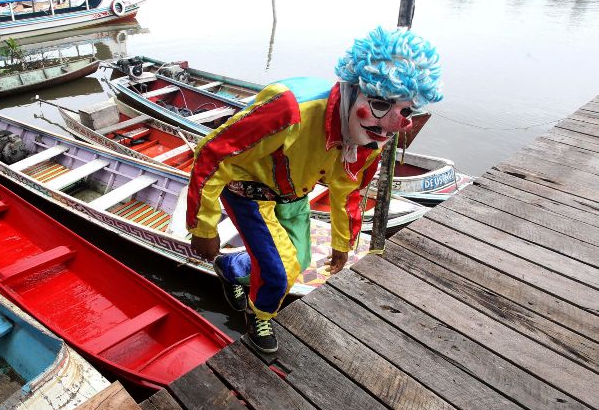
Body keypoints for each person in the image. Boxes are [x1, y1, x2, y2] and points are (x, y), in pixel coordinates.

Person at [186, 26, 443, 353]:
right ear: (353, 92)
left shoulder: (371, 136)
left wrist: (342, 241)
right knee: (280, 273)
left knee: (301, 259)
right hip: (246, 187)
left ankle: (232, 268)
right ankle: (258, 316)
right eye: (378, 105)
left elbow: (347, 189)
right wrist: (203, 225)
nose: (392, 124)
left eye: (405, 112)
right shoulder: (290, 108)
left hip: (293, 192)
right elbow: (213, 153)